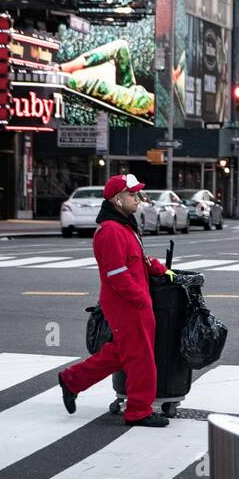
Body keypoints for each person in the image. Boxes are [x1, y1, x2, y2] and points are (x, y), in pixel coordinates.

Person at [57, 173, 170, 427]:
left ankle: (72, 380)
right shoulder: (110, 231)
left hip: (133, 302)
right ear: (118, 200)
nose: (137, 199)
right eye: (132, 195)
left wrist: (158, 268)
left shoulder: (124, 226)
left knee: (122, 353)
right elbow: (117, 275)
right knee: (141, 357)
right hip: (127, 304)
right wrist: (140, 298)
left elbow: (136, 260)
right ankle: (139, 411)